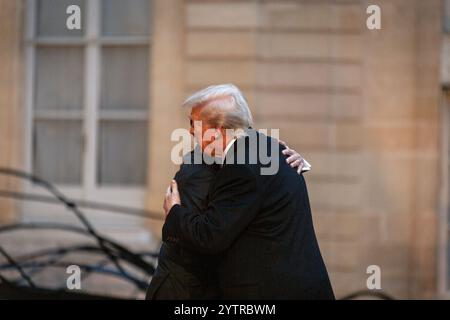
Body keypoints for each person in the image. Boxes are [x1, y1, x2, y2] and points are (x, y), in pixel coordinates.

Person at [161, 84, 334, 299]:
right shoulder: (271, 147)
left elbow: (210, 237)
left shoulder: (240, 167)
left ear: (217, 130)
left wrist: (174, 211)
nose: (189, 131)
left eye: (193, 123)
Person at [146, 137, 309, 299]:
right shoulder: (202, 168)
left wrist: (283, 158)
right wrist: (175, 212)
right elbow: (203, 237)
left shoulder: (245, 161)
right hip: (184, 286)